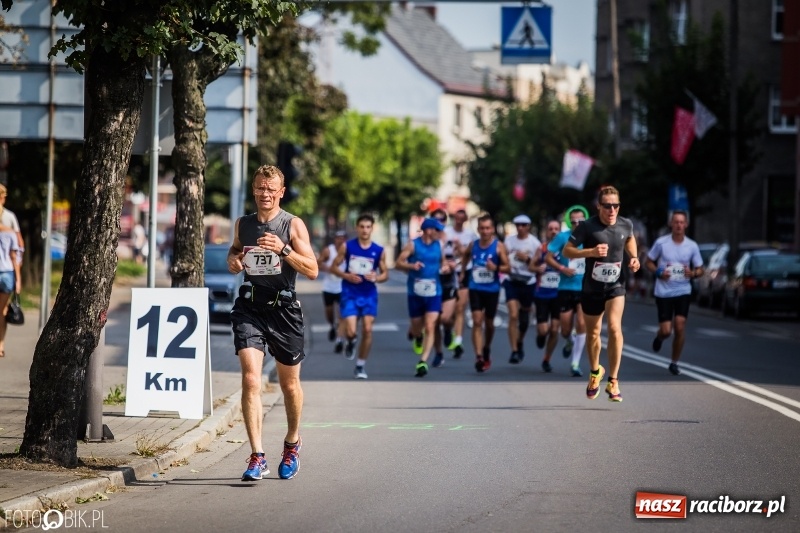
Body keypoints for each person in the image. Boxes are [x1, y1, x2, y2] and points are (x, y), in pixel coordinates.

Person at [226, 165, 319, 481]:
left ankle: (292, 442)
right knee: (251, 379)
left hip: (284, 310)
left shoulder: (292, 225)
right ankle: (257, 456)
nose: (265, 194)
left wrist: (284, 249)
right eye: (260, 188)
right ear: (254, 190)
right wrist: (233, 260)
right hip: (249, 307)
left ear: (281, 192)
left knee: (289, 384)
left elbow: (312, 270)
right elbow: (235, 251)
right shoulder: (244, 224)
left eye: (271, 189)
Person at [562, 186, 639, 402]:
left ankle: (613, 381)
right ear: (599, 206)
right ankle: (596, 372)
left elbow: (630, 239)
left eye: (616, 206)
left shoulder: (626, 224)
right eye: (607, 206)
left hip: (616, 286)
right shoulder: (587, 227)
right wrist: (590, 252)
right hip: (591, 288)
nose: (612, 210)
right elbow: (567, 250)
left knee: (615, 328)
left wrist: (633, 257)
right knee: (593, 333)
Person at [329, 214, 388, 379]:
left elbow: (385, 274)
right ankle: (351, 340)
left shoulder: (378, 250)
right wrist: (346, 276)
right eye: (362, 226)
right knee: (351, 330)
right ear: (357, 228)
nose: (365, 230)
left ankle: (360, 366)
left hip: (369, 294)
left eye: (368, 227)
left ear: (372, 228)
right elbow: (334, 267)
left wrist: (376, 277)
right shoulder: (347, 247)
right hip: (350, 293)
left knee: (368, 329)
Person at [645, 210, 704, 376]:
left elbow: (700, 269)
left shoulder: (692, 246)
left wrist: (692, 273)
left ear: (686, 224)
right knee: (666, 331)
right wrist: (658, 272)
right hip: (663, 292)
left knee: (680, 326)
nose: (678, 225)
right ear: (671, 224)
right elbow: (648, 261)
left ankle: (674, 362)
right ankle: (659, 337)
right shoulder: (661, 243)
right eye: (675, 222)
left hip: (683, 290)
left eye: (681, 222)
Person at [396, 217, 449, 377]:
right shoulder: (413, 245)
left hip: (434, 291)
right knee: (418, 327)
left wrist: (446, 268)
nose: (439, 233)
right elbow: (398, 263)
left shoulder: (439, 245)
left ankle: (423, 361)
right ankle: (417, 336)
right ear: (428, 230)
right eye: (436, 230)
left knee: (431, 325)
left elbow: (443, 262)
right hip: (415, 292)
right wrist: (412, 265)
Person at [461, 213, 510, 373]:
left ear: (493, 229)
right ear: (478, 229)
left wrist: (495, 268)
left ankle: (487, 347)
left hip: (492, 289)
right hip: (475, 287)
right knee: (476, 321)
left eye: (488, 228)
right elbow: (466, 257)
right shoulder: (473, 245)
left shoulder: (498, 246)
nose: (485, 231)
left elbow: (508, 268)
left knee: (489, 324)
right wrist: (463, 271)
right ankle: (479, 356)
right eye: (482, 228)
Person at [546, 205, 590, 377]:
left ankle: (575, 363)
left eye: (581, 221)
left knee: (581, 323)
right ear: (569, 223)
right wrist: (562, 268)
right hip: (565, 287)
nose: (577, 224)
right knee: (564, 329)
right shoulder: (563, 237)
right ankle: (569, 341)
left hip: (584, 288)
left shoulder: (590, 237)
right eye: (574, 221)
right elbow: (548, 256)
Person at [503, 214, 541, 364]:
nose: (520, 227)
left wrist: (527, 259)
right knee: (513, 315)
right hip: (511, 280)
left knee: (524, 321)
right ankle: (513, 351)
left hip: (528, 282)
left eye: (523, 225)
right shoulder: (509, 241)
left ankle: (519, 341)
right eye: (517, 224)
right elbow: (503, 257)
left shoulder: (535, 243)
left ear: (528, 226)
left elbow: (538, 266)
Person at [444, 209, 477, 358]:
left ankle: (458, 341)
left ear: (465, 220)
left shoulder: (470, 235)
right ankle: (448, 330)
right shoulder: (446, 232)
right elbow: (440, 251)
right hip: (448, 272)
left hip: (464, 271)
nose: (458, 221)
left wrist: (461, 248)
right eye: (456, 218)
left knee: (460, 307)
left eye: (461, 219)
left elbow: (471, 254)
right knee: (447, 313)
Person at [532, 220, 563, 373]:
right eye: (550, 229)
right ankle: (540, 336)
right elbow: (531, 266)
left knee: (555, 329)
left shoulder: (565, 248)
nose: (553, 231)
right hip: (542, 294)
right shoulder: (542, 248)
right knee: (544, 330)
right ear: (546, 231)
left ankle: (547, 359)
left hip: (558, 294)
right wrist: (538, 268)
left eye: (556, 229)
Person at [430, 209, 458, 369]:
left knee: (445, 319)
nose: (438, 222)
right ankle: (439, 353)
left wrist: (454, 264)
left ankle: (448, 330)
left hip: (448, 283)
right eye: (436, 219)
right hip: (432, 284)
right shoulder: (427, 240)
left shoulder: (451, 239)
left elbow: (462, 256)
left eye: (442, 219)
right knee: (433, 321)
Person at [316, 230, 347, 353]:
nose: (340, 240)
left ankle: (339, 340)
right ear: (335, 239)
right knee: (330, 313)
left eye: (343, 238)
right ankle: (332, 326)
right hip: (329, 287)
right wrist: (328, 268)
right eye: (338, 238)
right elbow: (318, 264)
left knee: (342, 314)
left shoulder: (348, 251)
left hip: (343, 287)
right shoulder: (328, 250)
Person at [0, 223, 21, 358]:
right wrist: (18, 279)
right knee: (2, 311)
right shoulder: (10, 233)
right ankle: (0, 345)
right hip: (7, 273)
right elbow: (13, 257)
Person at [0, 184, 24, 265]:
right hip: (8, 264)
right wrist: (19, 259)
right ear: (2, 197)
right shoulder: (10, 216)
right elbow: (19, 241)